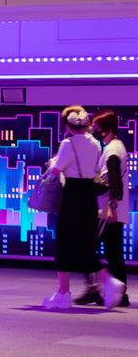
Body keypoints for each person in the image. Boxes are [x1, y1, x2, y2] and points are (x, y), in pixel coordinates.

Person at [42, 106, 123, 310]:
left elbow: (57, 169)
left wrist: (52, 163)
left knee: (64, 244)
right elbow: (95, 169)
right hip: (89, 196)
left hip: (72, 196)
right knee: (85, 244)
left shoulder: (68, 144)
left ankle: (63, 294)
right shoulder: (96, 144)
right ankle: (107, 281)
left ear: (68, 126)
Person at [76, 108, 129, 308]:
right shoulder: (117, 147)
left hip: (107, 211)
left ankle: (94, 290)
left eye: (97, 128)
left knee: (86, 247)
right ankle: (120, 294)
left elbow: (113, 182)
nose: (94, 131)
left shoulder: (112, 151)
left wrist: (112, 206)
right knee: (114, 253)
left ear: (106, 129)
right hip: (114, 210)